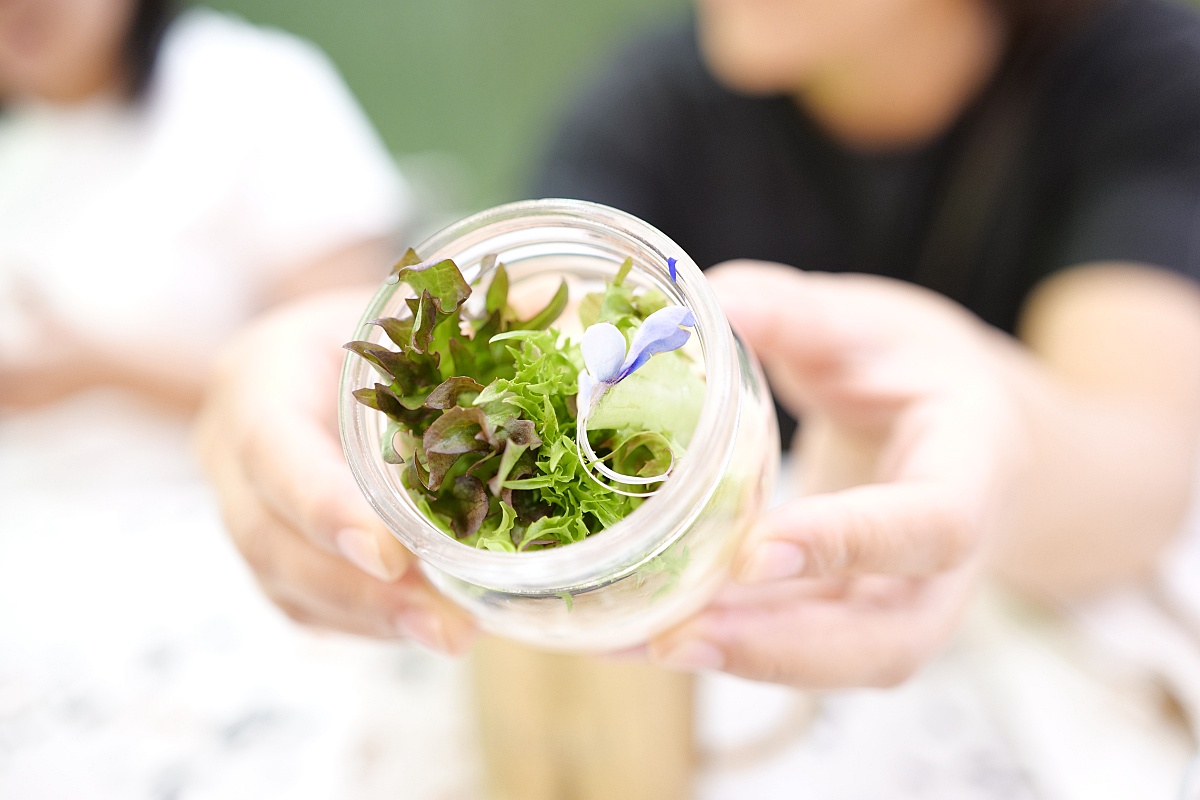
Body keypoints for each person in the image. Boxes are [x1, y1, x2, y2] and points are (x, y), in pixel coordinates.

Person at [196, 0, 1200, 691]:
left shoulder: (1144, 73)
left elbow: (1149, 456)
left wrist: (1005, 432)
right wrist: (334, 363)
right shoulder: (657, 95)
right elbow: (541, 291)